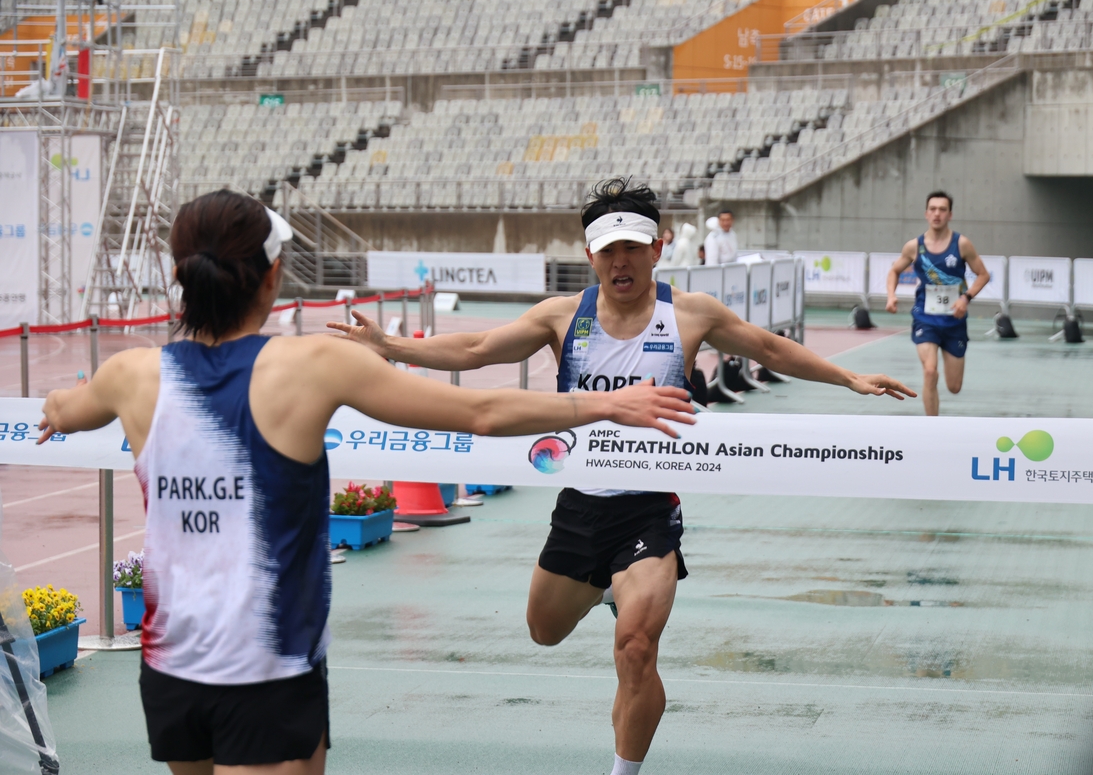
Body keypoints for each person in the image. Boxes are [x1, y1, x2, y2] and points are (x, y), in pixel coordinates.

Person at [35, 190, 695, 775]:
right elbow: (482, 413)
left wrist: (55, 410)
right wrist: (607, 404)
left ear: (179, 277)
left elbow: (64, 409)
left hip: (171, 669)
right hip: (269, 666)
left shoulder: (130, 375)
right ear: (272, 278)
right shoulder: (313, 364)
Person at [329, 177, 915, 775]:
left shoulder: (688, 315)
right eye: (608, 250)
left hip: (651, 509)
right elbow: (478, 347)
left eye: (633, 247)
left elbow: (769, 347)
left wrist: (850, 380)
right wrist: (391, 346)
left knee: (635, 648)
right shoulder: (564, 317)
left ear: (657, 248)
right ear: (590, 256)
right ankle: (610, 585)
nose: (621, 261)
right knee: (543, 630)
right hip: (581, 504)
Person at [885, 190, 990, 417]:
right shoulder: (914, 246)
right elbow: (894, 271)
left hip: (954, 321)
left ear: (950, 214)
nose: (937, 214)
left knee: (954, 387)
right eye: (933, 209)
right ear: (926, 213)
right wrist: (891, 295)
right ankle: (932, 428)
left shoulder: (961, 244)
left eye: (942, 209)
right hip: (926, 318)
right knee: (930, 372)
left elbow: (983, 274)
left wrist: (966, 298)